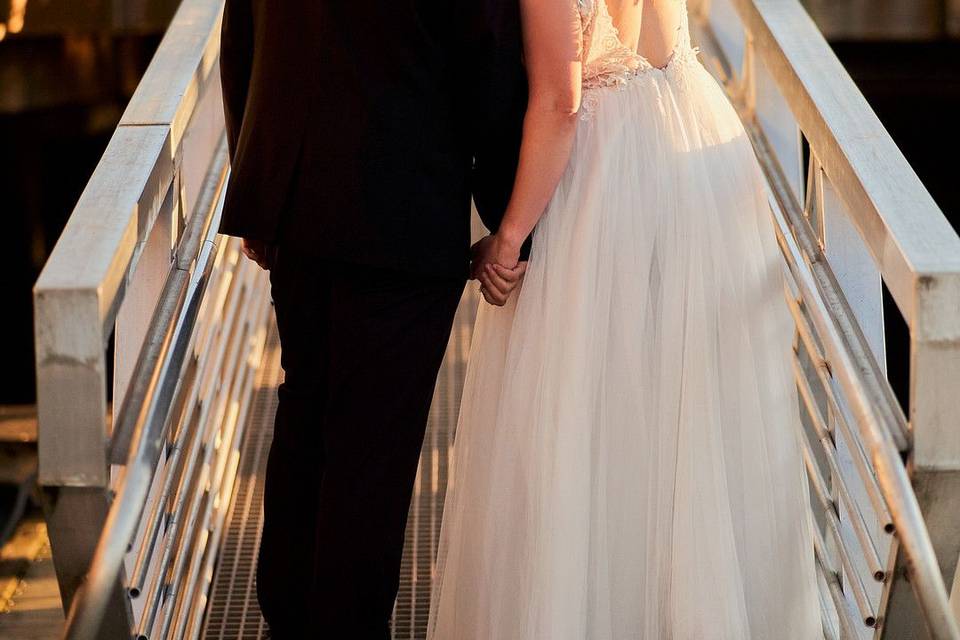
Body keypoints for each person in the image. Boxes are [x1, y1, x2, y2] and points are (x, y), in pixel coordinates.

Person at [428, 0, 823, 637]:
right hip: (694, 157)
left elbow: (561, 104)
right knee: (681, 408)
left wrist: (508, 239)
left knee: (586, 412)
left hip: (604, 180)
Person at [217, 1, 530, 637]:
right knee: (370, 461)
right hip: (401, 215)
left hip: (297, 199)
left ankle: (289, 621)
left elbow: (240, 33)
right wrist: (511, 223)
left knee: (307, 418)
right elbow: (491, 61)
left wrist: (260, 182)